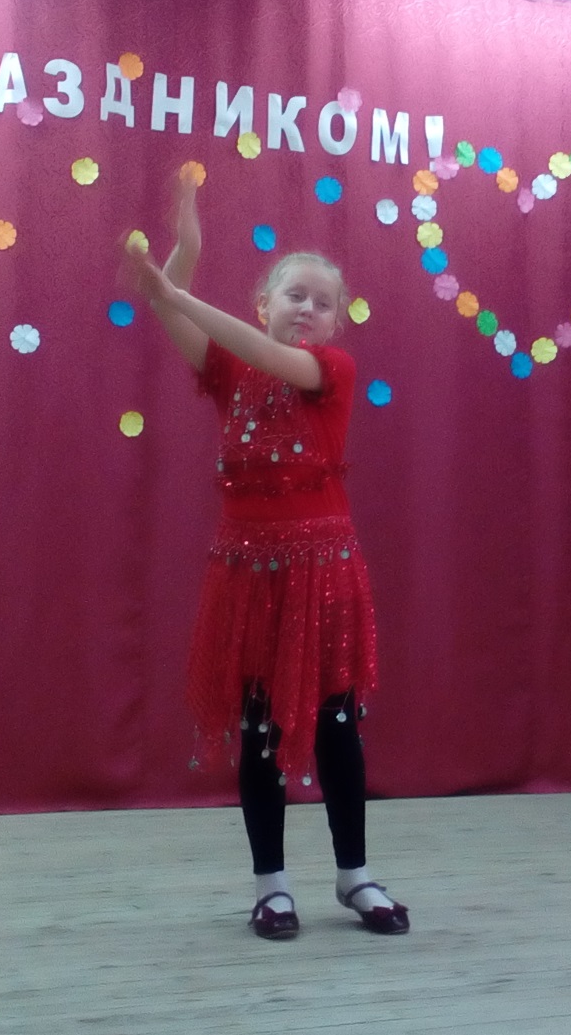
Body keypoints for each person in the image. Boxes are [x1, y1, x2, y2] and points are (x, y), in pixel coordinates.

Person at [121, 178, 409, 940]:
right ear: (263, 303)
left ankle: (354, 875)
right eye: (294, 295)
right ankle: (272, 885)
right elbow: (168, 309)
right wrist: (186, 252)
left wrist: (178, 293)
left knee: (337, 725)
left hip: (322, 574)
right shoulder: (230, 373)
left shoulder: (331, 370)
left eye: (322, 301)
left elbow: (244, 342)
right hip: (250, 577)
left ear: (337, 320)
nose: (307, 308)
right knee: (259, 729)